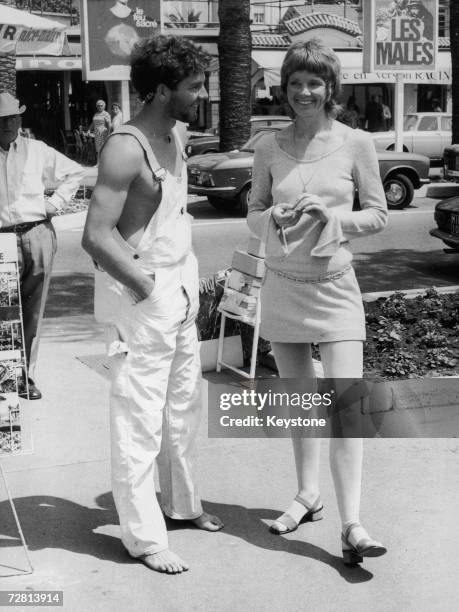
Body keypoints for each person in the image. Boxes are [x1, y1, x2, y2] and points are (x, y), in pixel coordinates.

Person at [82, 35, 223, 575]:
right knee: (139, 415)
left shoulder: (176, 131)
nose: (202, 93)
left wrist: (180, 284)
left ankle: (182, 507)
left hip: (181, 282)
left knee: (184, 402)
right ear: (162, 90)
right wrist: (146, 287)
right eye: (193, 86)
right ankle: (143, 538)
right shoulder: (125, 146)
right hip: (149, 291)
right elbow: (97, 236)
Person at [247, 40, 388, 566]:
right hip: (283, 287)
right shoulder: (267, 145)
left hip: (335, 289)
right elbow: (254, 211)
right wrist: (274, 219)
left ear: (331, 88)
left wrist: (332, 218)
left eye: (314, 83)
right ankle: (308, 494)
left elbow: (377, 215)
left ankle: (353, 523)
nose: (303, 92)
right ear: (282, 88)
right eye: (294, 83)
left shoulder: (357, 144)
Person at [0, 91, 84, 400]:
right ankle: (6, 380)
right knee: (5, 312)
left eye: (12, 117)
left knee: (33, 312)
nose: (8, 124)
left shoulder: (36, 150)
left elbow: (76, 172)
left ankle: (24, 377)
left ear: (20, 119)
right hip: (1, 239)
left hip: (37, 234)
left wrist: (56, 203)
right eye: (1, 119)